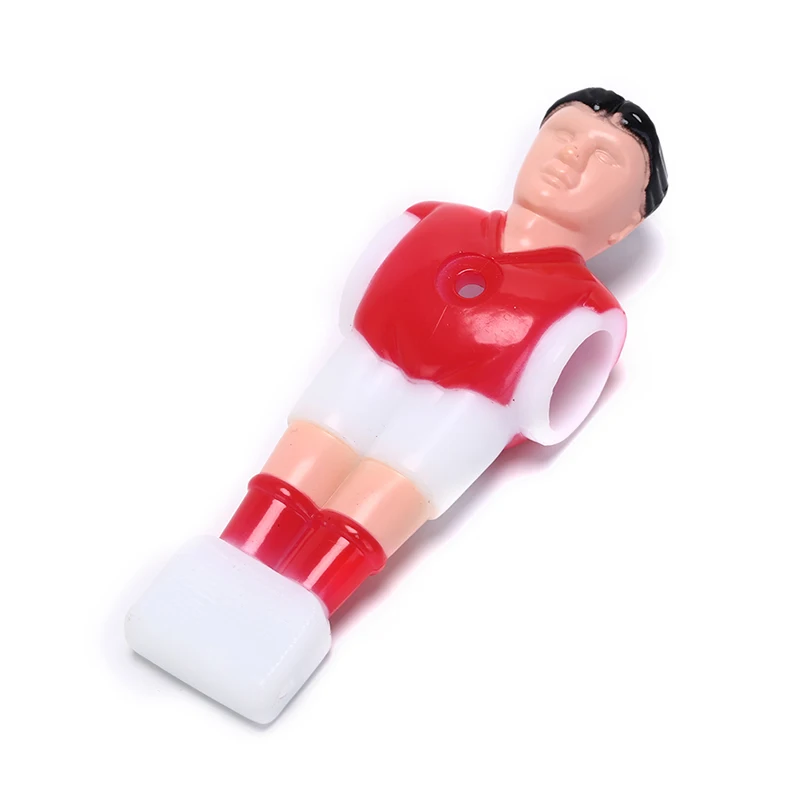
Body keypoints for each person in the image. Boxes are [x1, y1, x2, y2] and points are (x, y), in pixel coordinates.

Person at [126, 87, 668, 723]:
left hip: (459, 418)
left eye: (604, 158)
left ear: (624, 227)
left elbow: (538, 409)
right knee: (300, 466)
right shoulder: (427, 221)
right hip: (362, 374)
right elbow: (357, 309)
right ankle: (221, 570)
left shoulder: (586, 313)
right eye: (564, 133)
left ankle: (291, 615)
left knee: (377, 501)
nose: (570, 157)